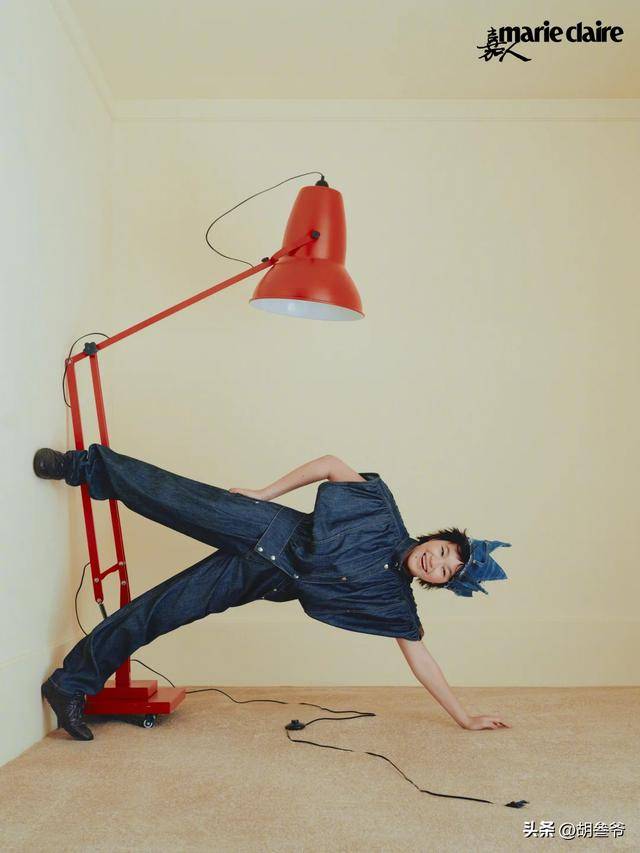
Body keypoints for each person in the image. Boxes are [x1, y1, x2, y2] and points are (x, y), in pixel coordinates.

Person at [34, 444, 512, 740]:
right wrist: (265, 493)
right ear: (436, 537)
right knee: (174, 495)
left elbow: (421, 658)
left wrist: (464, 716)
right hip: (263, 525)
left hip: (261, 576)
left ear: (439, 583)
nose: (436, 561)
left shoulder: (393, 602)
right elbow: (331, 463)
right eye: (443, 551)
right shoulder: (382, 514)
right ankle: (79, 465)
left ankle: (69, 684)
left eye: (446, 571)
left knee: (162, 610)